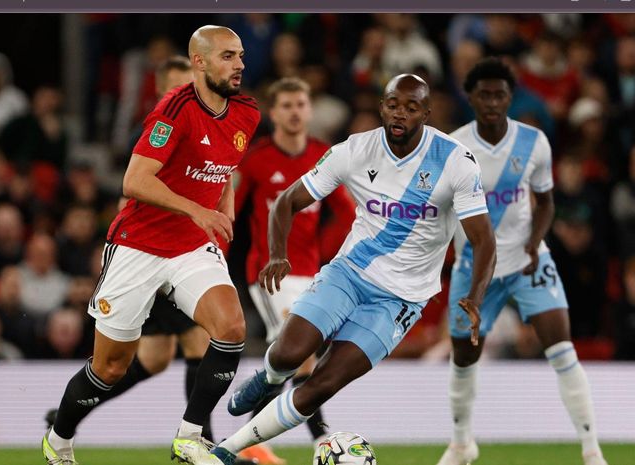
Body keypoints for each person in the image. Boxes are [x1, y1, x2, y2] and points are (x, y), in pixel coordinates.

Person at [207, 73, 496, 465]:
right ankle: (271, 376)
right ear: (382, 107)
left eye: (411, 108)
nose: (400, 114)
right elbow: (287, 201)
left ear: (426, 114)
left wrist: (475, 296)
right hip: (348, 274)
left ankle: (226, 449)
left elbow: (483, 240)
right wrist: (277, 253)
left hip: (400, 300)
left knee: (321, 384)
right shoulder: (354, 150)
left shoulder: (456, 162)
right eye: (393, 105)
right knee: (290, 353)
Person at [42, 25, 260, 465]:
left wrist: (224, 201)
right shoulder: (173, 110)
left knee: (231, 328)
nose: (238, 64)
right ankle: (59, 437)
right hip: (138, 246)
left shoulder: (248, 112)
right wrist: (196, 209)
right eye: (227, 56)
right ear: (198, 61)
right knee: (109, 368)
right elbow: (134, 181)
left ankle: (190, 436)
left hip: (191, 248)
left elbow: (225, 164)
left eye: (239, 56)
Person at [437, 58, 608, 465]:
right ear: (471, 97)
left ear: (510, 97)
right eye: (484, 94)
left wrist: (535, 242)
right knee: (463, 358)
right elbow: (441, 212)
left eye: (500, 94)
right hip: (474, 269)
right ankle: (462, 443)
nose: (493, 102)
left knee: (563, 351)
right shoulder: (452, 147)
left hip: (529, 263)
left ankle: (592, 451)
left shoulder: (534, 142)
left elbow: (547, 202)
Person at [229, 76, 356, 464]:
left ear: (310, 109)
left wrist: (332, 254)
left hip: (311, 273)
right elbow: (229, 211)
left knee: (298, 361)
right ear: (273, 112)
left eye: (301, 104)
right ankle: (317, 438)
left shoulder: (323, 157)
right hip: (267, 274)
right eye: (286, 105)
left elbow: (350, 214)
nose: (295, 111)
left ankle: (252, 440)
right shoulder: (256, 159)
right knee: (296, 356)